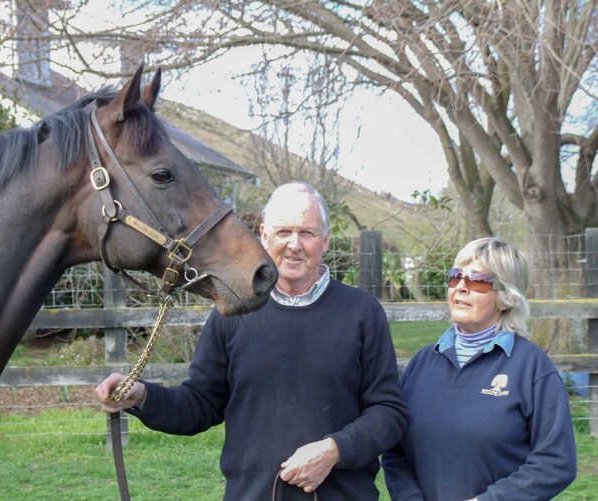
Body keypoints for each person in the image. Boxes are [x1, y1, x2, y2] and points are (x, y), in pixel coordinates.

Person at [96, 181, 408, 500]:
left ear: (326, 240)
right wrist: (141, 396)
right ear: (263, 234)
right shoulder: (234, 311)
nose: (294, 245)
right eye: (283, 232)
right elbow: (201, 403)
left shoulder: (361, 312)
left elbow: (389, 412)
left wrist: (334, 450)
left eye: (308, 233)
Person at [382, 237, 577, 501]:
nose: (461, 287)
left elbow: (556, 462)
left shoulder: (531, 367)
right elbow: (396, 453)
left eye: (477, 280)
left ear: (506, 298)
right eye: (456, 276)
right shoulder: (422, 363)